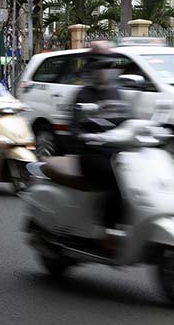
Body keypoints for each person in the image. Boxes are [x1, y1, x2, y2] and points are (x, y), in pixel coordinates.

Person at [68, 47, 130, 234]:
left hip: (115, 151)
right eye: (102, 66)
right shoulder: (83, 94)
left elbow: (127, 121)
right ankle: (108, 229)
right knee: (116, 177)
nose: (107, 70)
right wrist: (86, 136)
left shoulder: (117, 93)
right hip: (91, 154)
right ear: (93, 67)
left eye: (110, 65)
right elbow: (75, 126)